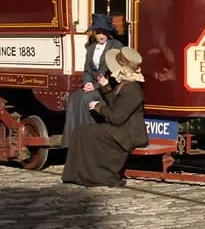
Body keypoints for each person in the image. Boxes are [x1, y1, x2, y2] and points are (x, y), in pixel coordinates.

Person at [62, 47, 149, 187]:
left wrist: (98, 107)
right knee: (81, 131)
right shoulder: (125, 84)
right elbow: (116, 105)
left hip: (128, 134)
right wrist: (106, 87)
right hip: (121, 129)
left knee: (85, 132)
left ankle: (97, 176)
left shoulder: (132, 89)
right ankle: (78, 174)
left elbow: (116, 117)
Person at [61, 14, 123, 147]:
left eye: (104, 33)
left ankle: (87, 140)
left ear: (108, 33)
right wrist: (87, 83)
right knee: (74, 97)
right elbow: (87, 70)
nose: (101, 36)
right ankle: (71, 139)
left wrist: (94, 86)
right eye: (98, 32)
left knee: (85, 99)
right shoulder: (91, 48)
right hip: (93, 85)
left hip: (108, 87)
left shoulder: (116, 46)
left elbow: (111, 72)